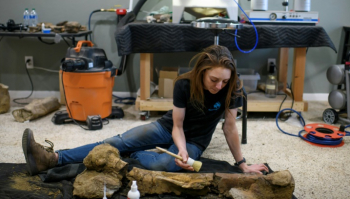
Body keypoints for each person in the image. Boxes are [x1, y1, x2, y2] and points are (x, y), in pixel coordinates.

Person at [22, 45, 268, 175]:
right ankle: (54, 158)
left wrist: (242, 164)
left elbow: (230, 127)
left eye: (224, 81)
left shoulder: (233, 87)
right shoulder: (184, 84)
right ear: (203, 71)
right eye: (214, 79)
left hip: (196, 141)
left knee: (167, 165)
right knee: (116, 141)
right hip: (168, 127)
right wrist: (180, 148)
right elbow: (178, 126)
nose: (219, 86)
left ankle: (133, 156)